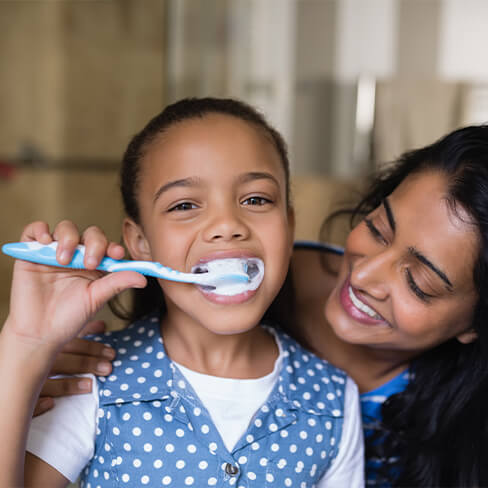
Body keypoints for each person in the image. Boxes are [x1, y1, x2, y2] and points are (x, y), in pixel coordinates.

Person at [44, 124, 488, 487]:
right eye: (377, 229)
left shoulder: (337, 401)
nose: (365, 276)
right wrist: (29, 364)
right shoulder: (117, 373)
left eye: (420, 281)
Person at [0, 97, 364, 487]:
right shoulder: (92, 380)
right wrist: (26, 344)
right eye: (185, 205)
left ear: (289, 227)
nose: (226, 225)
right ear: (140, 243)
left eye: (256, 199)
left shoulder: (333, 401)